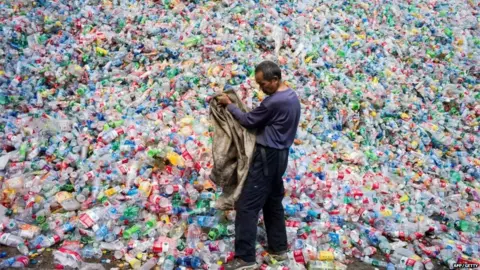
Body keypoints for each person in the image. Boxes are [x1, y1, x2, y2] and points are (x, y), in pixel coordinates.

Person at [216, 61, 301, 270]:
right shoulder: (291, 96)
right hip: (281, 156)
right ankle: (279, 248)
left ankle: (245, 259)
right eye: (258, 84)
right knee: (272, 202)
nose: (261, 88)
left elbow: (248, 120)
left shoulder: (274, 102)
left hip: (266, 157)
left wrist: (230, 104)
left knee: (247, 206)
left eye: (263, 84)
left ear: (275, 80)